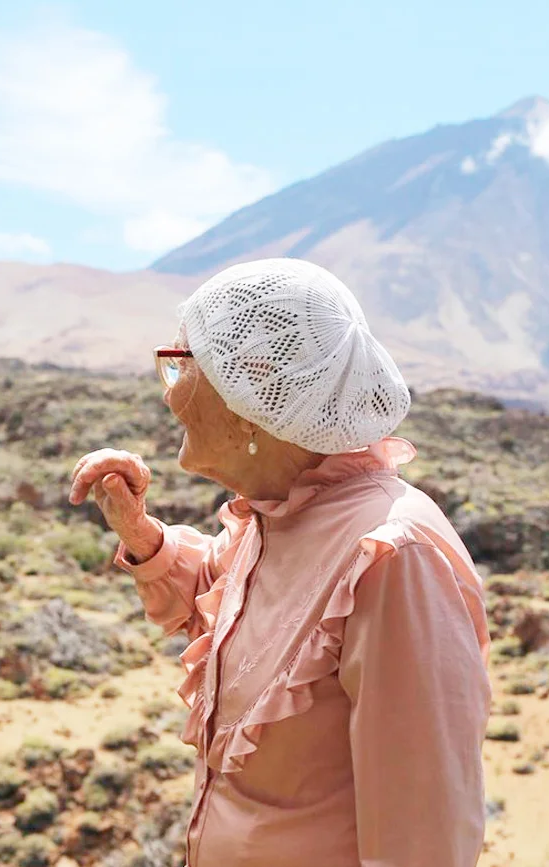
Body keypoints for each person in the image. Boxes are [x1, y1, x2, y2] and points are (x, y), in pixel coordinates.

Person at [68, 258, 492, 867]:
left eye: (185, 364)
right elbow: (229, 601)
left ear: (251, 397)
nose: (170, 388)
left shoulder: (395, 557)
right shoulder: (280, 511)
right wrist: (138, 532)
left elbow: (423, 837)